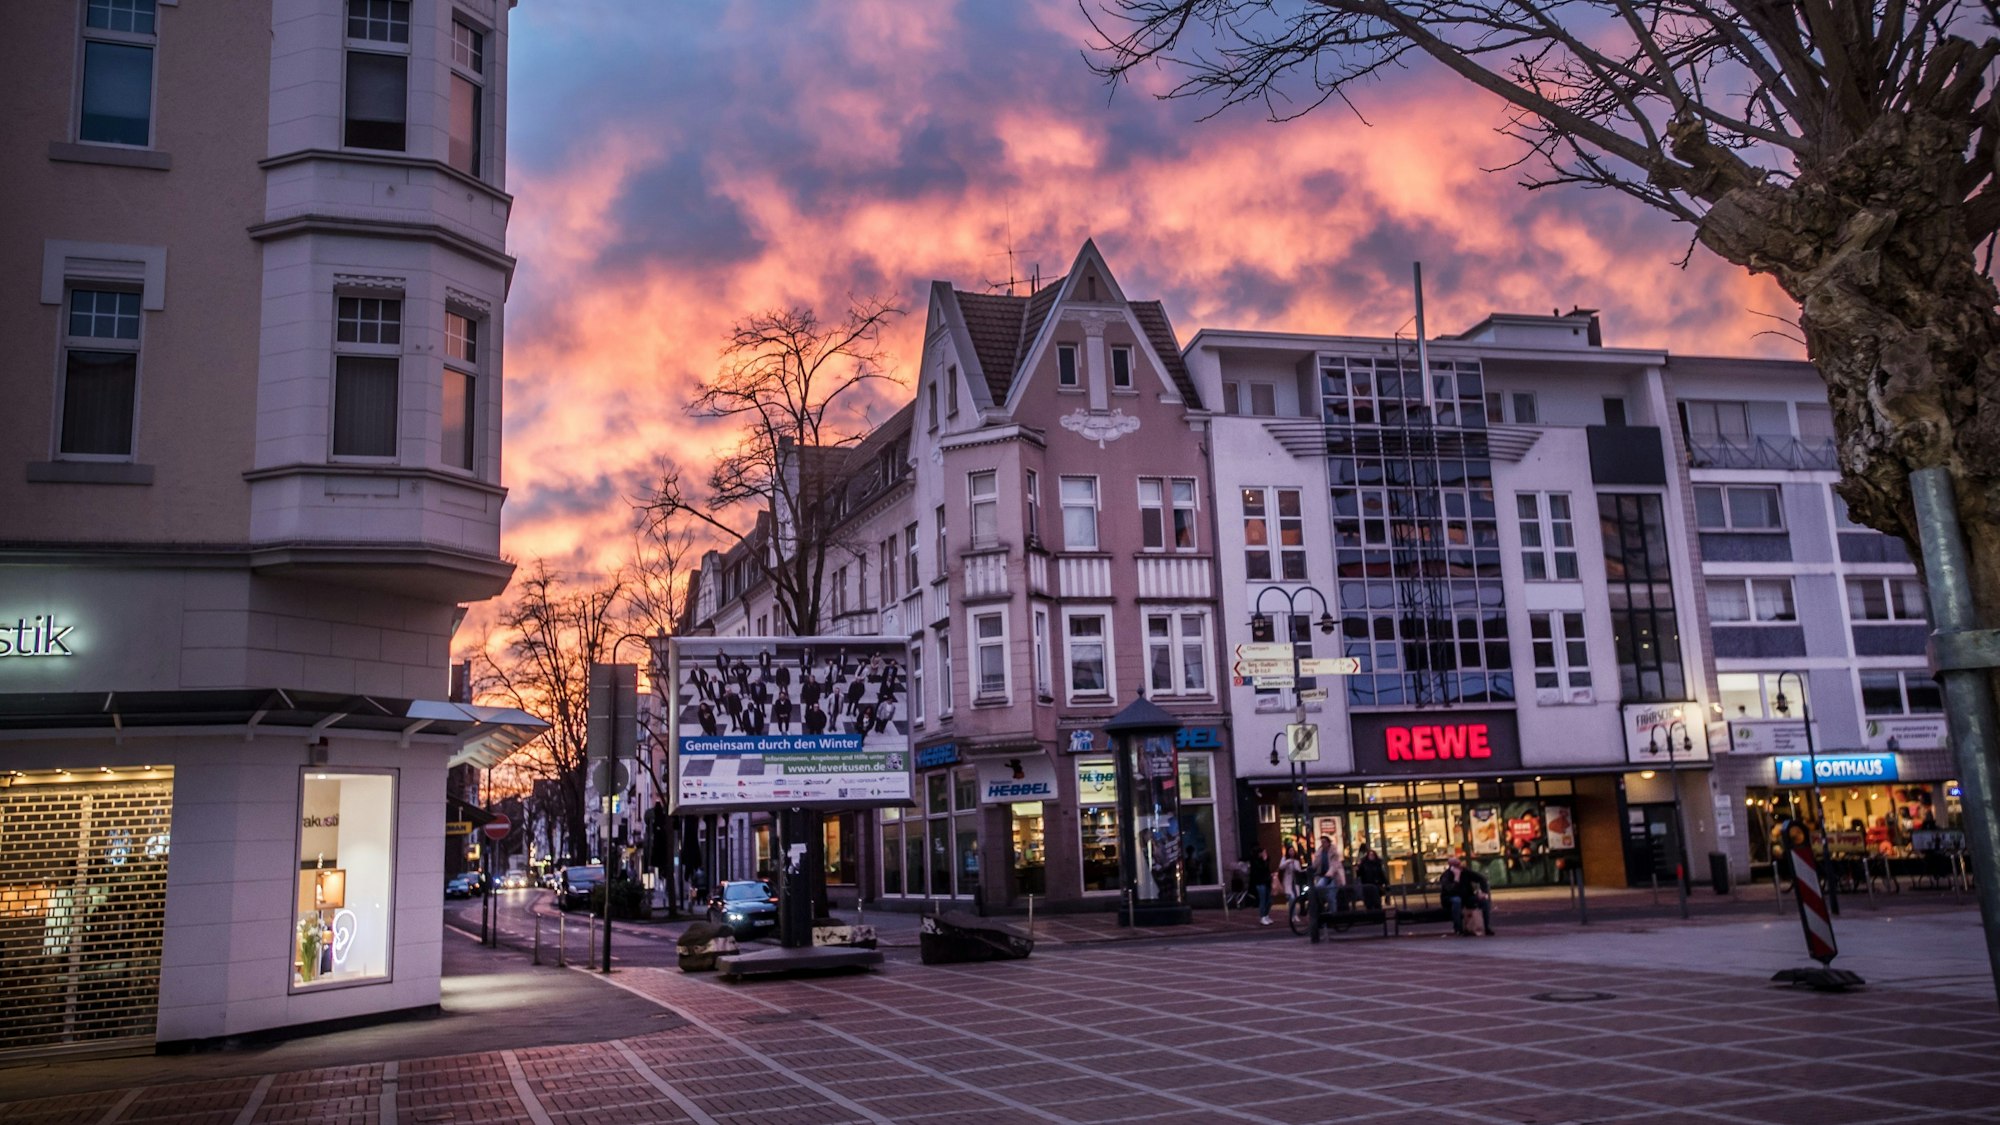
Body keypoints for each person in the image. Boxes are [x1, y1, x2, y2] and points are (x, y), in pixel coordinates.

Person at [1440, 856, 1494, 936]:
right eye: (1456, 866)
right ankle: (1458, 929)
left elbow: (1482, 879)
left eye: (1459, 865)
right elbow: (1450, 890)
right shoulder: (1446, 875)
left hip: (1466, 897)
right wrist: (1456, 878)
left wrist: (1483, 892)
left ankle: (1486, 927)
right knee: (1457, 900)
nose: (1459, 867)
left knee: (1484, 901)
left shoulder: (1465, 872)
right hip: (1450, 898)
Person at [1356, 847, 1388, 912]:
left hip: (1376, 884)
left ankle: (1378, 915)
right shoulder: (1364, 864)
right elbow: (1359, 874)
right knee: (1369, 902)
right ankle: (1371, 914)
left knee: (1377, 901)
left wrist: (1386, 883)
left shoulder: (1378, 864)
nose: (1371, 856)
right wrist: (1357, 869)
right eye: (1370, 855)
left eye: (1372, 855)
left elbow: (1381, 874)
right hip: (1367, 885)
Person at [1248, 845, 1274, 926]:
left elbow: (1267, 869)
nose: (1264, 854)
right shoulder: (1255, 861)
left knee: (1269, 899)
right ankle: (1262, 916)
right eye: (1263, 852)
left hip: (1267, 882)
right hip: (1260, 883)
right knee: (1263, 899)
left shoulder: (1265, 860)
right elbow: (1261, 869)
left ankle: (1266, 915)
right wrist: (1264, 860)